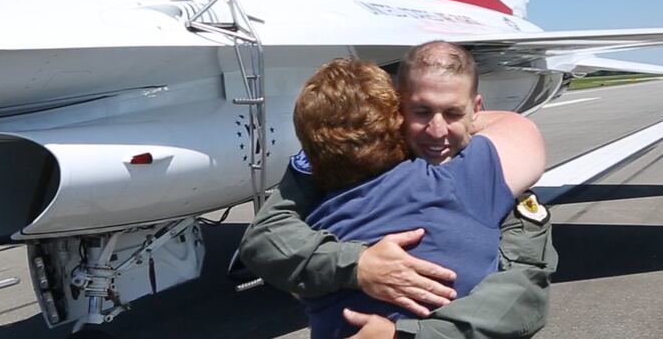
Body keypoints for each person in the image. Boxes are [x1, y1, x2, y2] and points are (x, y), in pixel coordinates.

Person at [239, 42, 558, 338]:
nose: (437, 130)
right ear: (398, 113)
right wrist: (358, 264)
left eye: (453, 113)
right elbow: (520, 128)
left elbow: (522, 288)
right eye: (420, 112)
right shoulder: (465, 180)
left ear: (476, 109)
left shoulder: (316, 212)